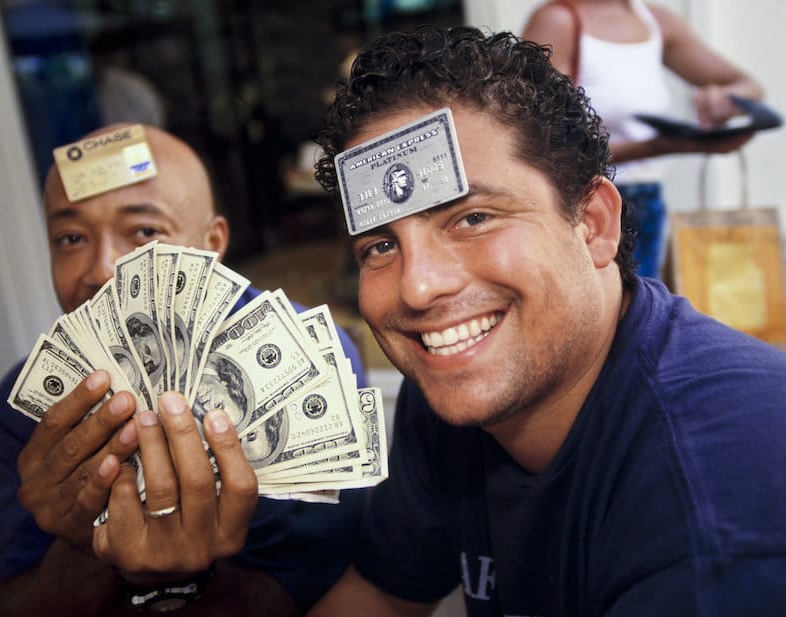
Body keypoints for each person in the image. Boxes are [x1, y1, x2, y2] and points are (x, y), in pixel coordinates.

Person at [305, 26, 786, 615]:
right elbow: (381, 595)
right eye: (380, 246)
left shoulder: (713, 520)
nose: (418, 286)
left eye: (473, 218)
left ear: (593, 224)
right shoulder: (455, 387)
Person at [0, 123, 369, 616]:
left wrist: (178, 571)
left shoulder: (302, 364)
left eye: (145, 231)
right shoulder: (24, 407)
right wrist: (82, 543)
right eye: (71, 237)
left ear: (212, 243)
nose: (102, 269)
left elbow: (308, 594)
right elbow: (15, 606)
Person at [521, 0, 764, 279]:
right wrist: (657, 147)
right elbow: (542, 144)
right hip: (585, 205)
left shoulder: (654, 21)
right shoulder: (559, 22)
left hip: (646, 201)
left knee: (638, 311)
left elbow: (748, 86)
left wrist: (725, 101)